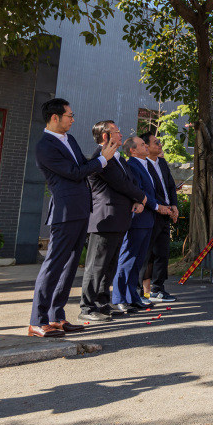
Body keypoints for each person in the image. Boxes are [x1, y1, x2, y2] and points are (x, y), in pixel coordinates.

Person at [29, 98, 118, 337]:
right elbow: (74, 172)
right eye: (69, 115)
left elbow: (83, 166)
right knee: (53, 265)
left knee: (69, 267)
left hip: (81, 209)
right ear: (55, 117)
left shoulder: (70, 140)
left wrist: (101, 158)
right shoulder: (45, 146)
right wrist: (102, 159)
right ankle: (37, 320)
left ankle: (56, 316)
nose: (73, 120)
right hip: (65, 212)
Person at [79, 121, 147, 322]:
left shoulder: (118, 158)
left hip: (119, 219)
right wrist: (142, 197)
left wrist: (137, 199)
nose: (120, 134)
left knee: (109, 266)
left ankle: (102, 303)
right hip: (105, 219)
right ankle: (87, 307)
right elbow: (120, 183)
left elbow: (132, 181)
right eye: (116, 132)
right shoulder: (100, 158)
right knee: (96, 266)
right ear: (105, 136)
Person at [112, 136, 172, 313]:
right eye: (142, 144)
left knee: (138, 261)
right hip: (137, 219)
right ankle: (119, 298)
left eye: (146, 144)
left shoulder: (146, 165)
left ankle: (132, 297)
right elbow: (139, 190)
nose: (146, 146)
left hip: (148, 219)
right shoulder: (132, 165)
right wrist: (157, 206)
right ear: (133, 150)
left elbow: (154, 190)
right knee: (128, 259)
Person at [141, 132, 180, 303]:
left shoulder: (162, 162)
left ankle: (158, 288)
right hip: (152, 213)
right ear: (146, 146)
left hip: (166, 213)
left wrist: (174, 205)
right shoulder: (143, 164)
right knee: (147, 253)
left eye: (159, 142)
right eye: (156, 142)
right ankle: (141, 291)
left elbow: (170, 186)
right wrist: (162, 206)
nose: (160, 145)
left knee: (162, 252)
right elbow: (148, 192)